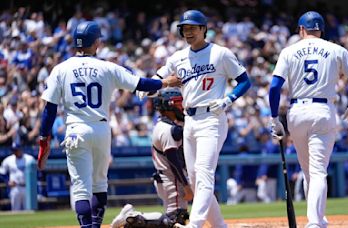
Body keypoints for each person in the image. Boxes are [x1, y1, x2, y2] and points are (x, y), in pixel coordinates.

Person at [37, 21, 180, 228]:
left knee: (80, 188)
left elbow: (49, 109)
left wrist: (44, 139)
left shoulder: (60, 69)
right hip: (101, 128)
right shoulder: (107, 67)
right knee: (99, 184)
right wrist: (165, 82)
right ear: (96, 42)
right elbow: (141, 84)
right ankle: (95, 226)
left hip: (76, 129)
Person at [153, 10, 251, 228]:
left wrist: (229, 99)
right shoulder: (178, 57)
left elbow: (244, 81)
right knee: (196, 181)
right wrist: (145, 86)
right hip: (190, 121)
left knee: (205, 174)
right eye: (184, 28)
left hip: (213, 118)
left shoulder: (220, 53)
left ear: (203, 29)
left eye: (192, 28)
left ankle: (195, 224)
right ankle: (219, 226)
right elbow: (158, 77)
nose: (188, 32)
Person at [268, 11, 348, 227]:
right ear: (320, 30)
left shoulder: (289, 51)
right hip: (323, 110)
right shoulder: (336, 49)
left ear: (301, 29)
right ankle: (315, 222)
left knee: (308, 171)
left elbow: (275, 87)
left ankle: (318, 218)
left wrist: (274, 118)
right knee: (319, 170)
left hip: (296, 113)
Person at [111, 88, 193, 228]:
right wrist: (186, 186)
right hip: (171, 179)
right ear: (169, 106)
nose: (182, 106)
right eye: (178, 102)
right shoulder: (167, 129)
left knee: (178, 218)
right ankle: (134, 217)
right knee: (176, 220)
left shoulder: (165, 125)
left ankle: (134, 217)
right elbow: (174, 161)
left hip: (166, 178)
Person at [0, 143, 35, 211]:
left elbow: (36, 172)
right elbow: (2, 173)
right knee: (15, 210)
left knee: (29, 210)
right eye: (14, 150)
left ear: (21, 149)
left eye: (17, 150)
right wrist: (7, 182)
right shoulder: (8, 160)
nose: (15, 152)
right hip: (15, 188)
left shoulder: (29, 159)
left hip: (27, 187)